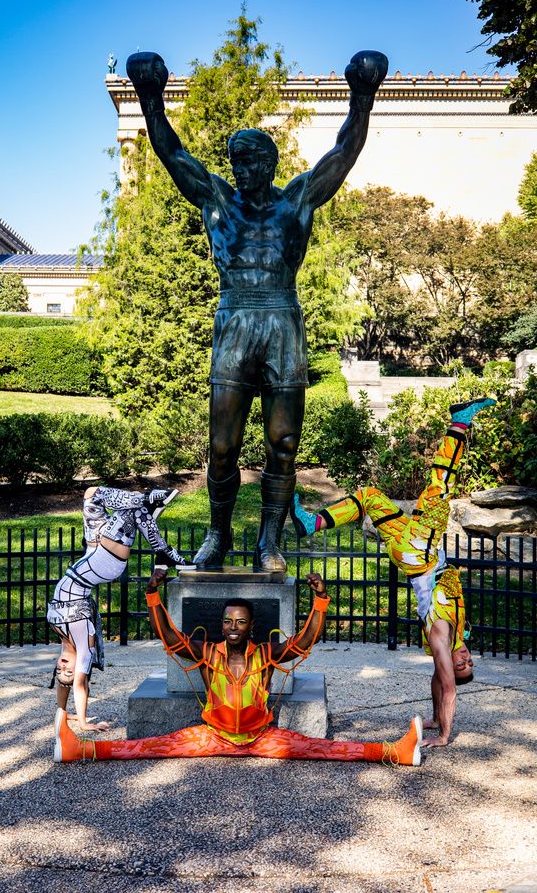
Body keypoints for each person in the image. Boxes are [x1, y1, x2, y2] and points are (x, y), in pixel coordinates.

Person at [125, 48, 388, 571]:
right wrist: (150, 98)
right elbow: (173, 153)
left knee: (283, 441)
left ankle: (270, 542)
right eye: (235, 161)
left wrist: (362, 97)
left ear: (268, 164)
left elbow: (343, 153)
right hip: (236, 320)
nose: (240, 169)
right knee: (222, 445)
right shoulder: (217, 201)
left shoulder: (297, 202)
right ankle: (218, 536)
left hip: (283, 321)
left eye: (249, 160)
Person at [54, 569, 423, 765]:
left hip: (263, 738)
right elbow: (169, 637)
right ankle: (78, 751)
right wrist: (153, 593)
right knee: (147, 747)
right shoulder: (205, 652)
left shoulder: (265, 654)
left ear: (251, 626)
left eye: (241, 622)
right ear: (222, 624)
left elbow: (304, 643)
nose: (233, 627)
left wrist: (321, 600)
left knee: (324, 749)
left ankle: (396, 753)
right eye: (228, 621)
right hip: (212, 737)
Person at [290, 397, 497, 746]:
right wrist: (432, 717)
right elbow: (438, 680)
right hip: (412, 551)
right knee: (370, 497)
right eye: (470, 663)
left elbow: (447, 685)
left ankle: (459, 422)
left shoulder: (440, 637)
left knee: (439, 490)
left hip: (422, 555)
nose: (467, 659)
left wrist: (444, 734)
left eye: (462, 666)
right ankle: (313, 522)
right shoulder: (456, 636)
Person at [47, 485, 192, 731]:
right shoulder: (84, 644)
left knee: (91, 494)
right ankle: (156, 527)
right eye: (68, 671)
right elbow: (80, 684)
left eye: (59, 670)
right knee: (131, 511)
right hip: (105, 562)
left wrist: (62, 712)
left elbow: (64, 685)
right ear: (79, 669)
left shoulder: (62, 635)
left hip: (92, 551)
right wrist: (83, 722)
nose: (62, 668)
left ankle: (158, 538)